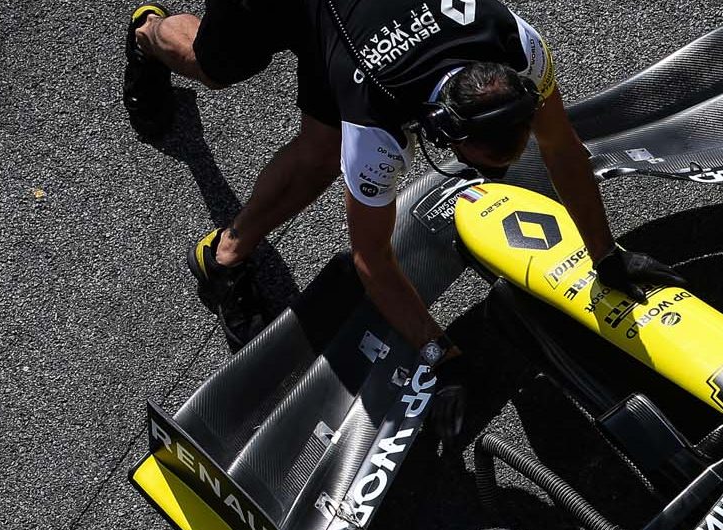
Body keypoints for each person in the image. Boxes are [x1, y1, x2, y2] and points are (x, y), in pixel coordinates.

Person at [123, 0, 682, 351]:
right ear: (444, 131)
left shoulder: (518, 43)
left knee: (321, 148)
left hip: (352, 26)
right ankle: (148, 31)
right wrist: (435, 350)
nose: (505, 171)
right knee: (213, 66)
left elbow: (563, 146)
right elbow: (372, 259)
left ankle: (225, 252)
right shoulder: (377, 122)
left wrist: (605, 256)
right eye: (489, 163)